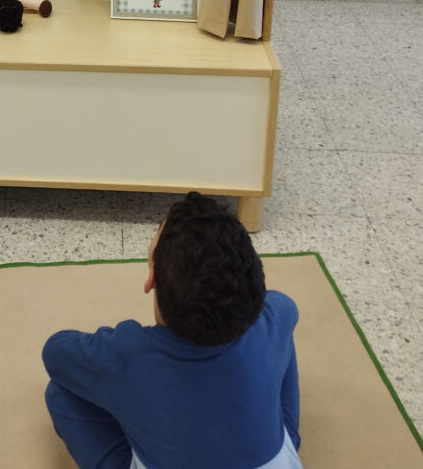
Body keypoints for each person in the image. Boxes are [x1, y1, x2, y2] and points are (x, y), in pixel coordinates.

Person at [42, 191, 302, 469]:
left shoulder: (127, 354)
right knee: (281, 335)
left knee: (59, 392)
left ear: (151, 280)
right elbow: (283, 305)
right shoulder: (273, 319)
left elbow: (55, 352)